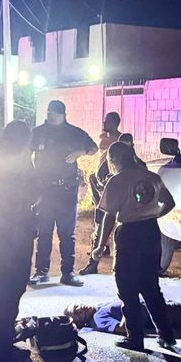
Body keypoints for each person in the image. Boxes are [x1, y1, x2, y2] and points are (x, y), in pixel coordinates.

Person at [90, 142, 178, 351]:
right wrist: (153, 215)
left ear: (114, 160)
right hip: (151, 232)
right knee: (151, 286)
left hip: (129, 235)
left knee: (127, 287)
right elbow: (170, 202)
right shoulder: (152, 177)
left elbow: (109, 216)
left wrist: (100, 245)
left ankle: (135, 339)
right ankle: (166, 335)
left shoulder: (117, 181)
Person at [0, 121, 40, 362]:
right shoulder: (22, 164)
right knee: (10, 291)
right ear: (24, 141)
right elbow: (32, 195)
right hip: (12, 236)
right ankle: (0, 349)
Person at [29, 100, 97, 287]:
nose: (51, 116)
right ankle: (41, 272)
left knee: (67, 235)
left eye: (55, 113)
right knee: (44, 233)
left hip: (66, 191)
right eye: (49, 113)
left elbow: (93, 148)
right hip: (45, 191)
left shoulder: (74, 133)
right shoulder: (38, 132)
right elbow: (25, 151)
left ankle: (68, 273)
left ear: (63, 115)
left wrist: (80, 151)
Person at [78, 113, 122, 276]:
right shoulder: (103, 137)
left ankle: (96, 260)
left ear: (115, 123)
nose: (103, 123)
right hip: (100, 183)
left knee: (103, 219)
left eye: (107, 121)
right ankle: (101, 251)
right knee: (100, 217)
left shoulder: (119, 140)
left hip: (110, 185)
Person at [65, 299, 181, 337]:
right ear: (80, 321)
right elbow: (122, 329)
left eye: (77, 306)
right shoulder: (98, 319)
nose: (80, 308)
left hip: (153, 306)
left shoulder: (98, 309)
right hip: (157, 314)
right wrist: (128, 303)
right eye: (77, 312)